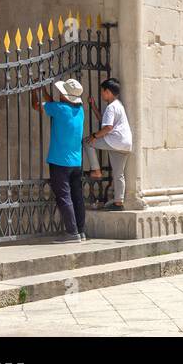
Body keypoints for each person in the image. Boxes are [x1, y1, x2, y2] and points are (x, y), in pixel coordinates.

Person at [32, 78, 87, 243]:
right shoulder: (79, 110)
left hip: (59, 161)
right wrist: (44, 90)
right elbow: (54, 104)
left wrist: (33, 90)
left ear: (64, 95)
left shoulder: (59, 108)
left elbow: (37, 106)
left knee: (64, 196)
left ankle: (72, 233)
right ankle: (80, 230)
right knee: (77, 196)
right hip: (76, 162)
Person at [83, 77, 132, 211]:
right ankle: (118, 203)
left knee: (87, 143)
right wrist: (93, 106)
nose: (101, 94)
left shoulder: (111, 107)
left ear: (108, 92)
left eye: (103, 91)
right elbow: (103, 121)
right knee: (118, 173)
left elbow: (108, 127)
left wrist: (94, 136)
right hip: (125, 144)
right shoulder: (118, 105)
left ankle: (97, 171)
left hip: (115, 141)